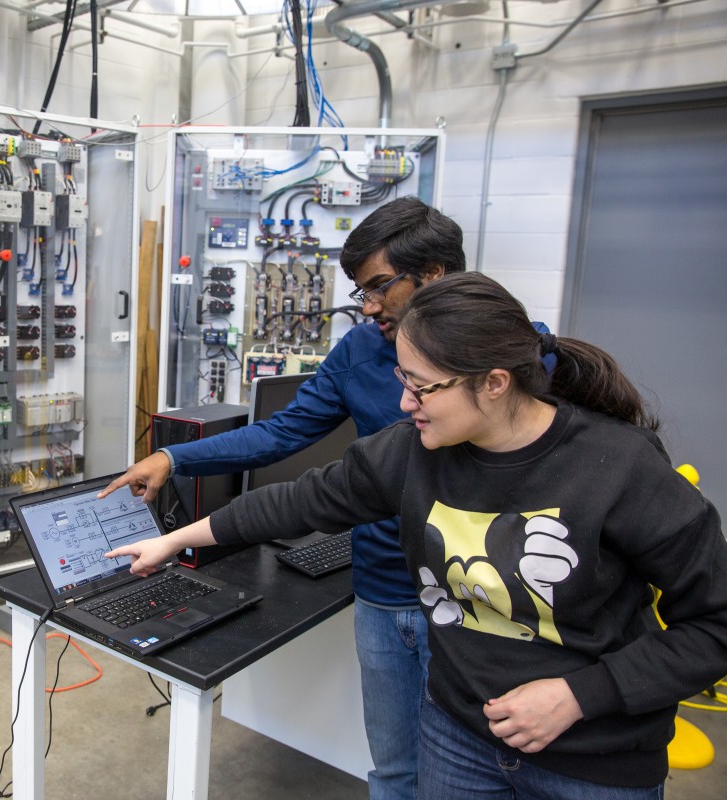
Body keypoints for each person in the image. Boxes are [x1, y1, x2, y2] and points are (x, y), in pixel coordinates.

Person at [108, 272, 727, 798]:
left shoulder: (621, 467)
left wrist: (582, 694)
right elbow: (301, 501)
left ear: (493, 381)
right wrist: (178, 538)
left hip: (595, 757)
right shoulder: (409, 453)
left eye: (421, 387)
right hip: (458, 735)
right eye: (403, 380)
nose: (405, 405)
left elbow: (714, 624)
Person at [102, 196, 546, 799]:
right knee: (395, 768)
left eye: (380, 287)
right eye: (360, 290)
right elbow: (285, 439)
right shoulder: (361, 352)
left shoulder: (522, 358)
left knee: (485, 775)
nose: (368, 306)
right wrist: (173, 456)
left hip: (484, 603)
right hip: (388, 590)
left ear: (436, 275)